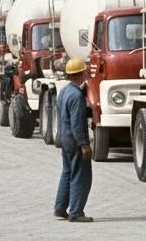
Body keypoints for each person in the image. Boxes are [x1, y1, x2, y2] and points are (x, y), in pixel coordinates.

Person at [54, 58, 93, 222]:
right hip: (75, 140)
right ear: (80, 73)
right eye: (84, 71)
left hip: (65, 139)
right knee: (81, 175)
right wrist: (84, 145)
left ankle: (60, 208)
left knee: (68, 172)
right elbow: (77, 123)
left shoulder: (65, 91)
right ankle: (76, 212)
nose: (86, 73)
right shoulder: (76, 96)